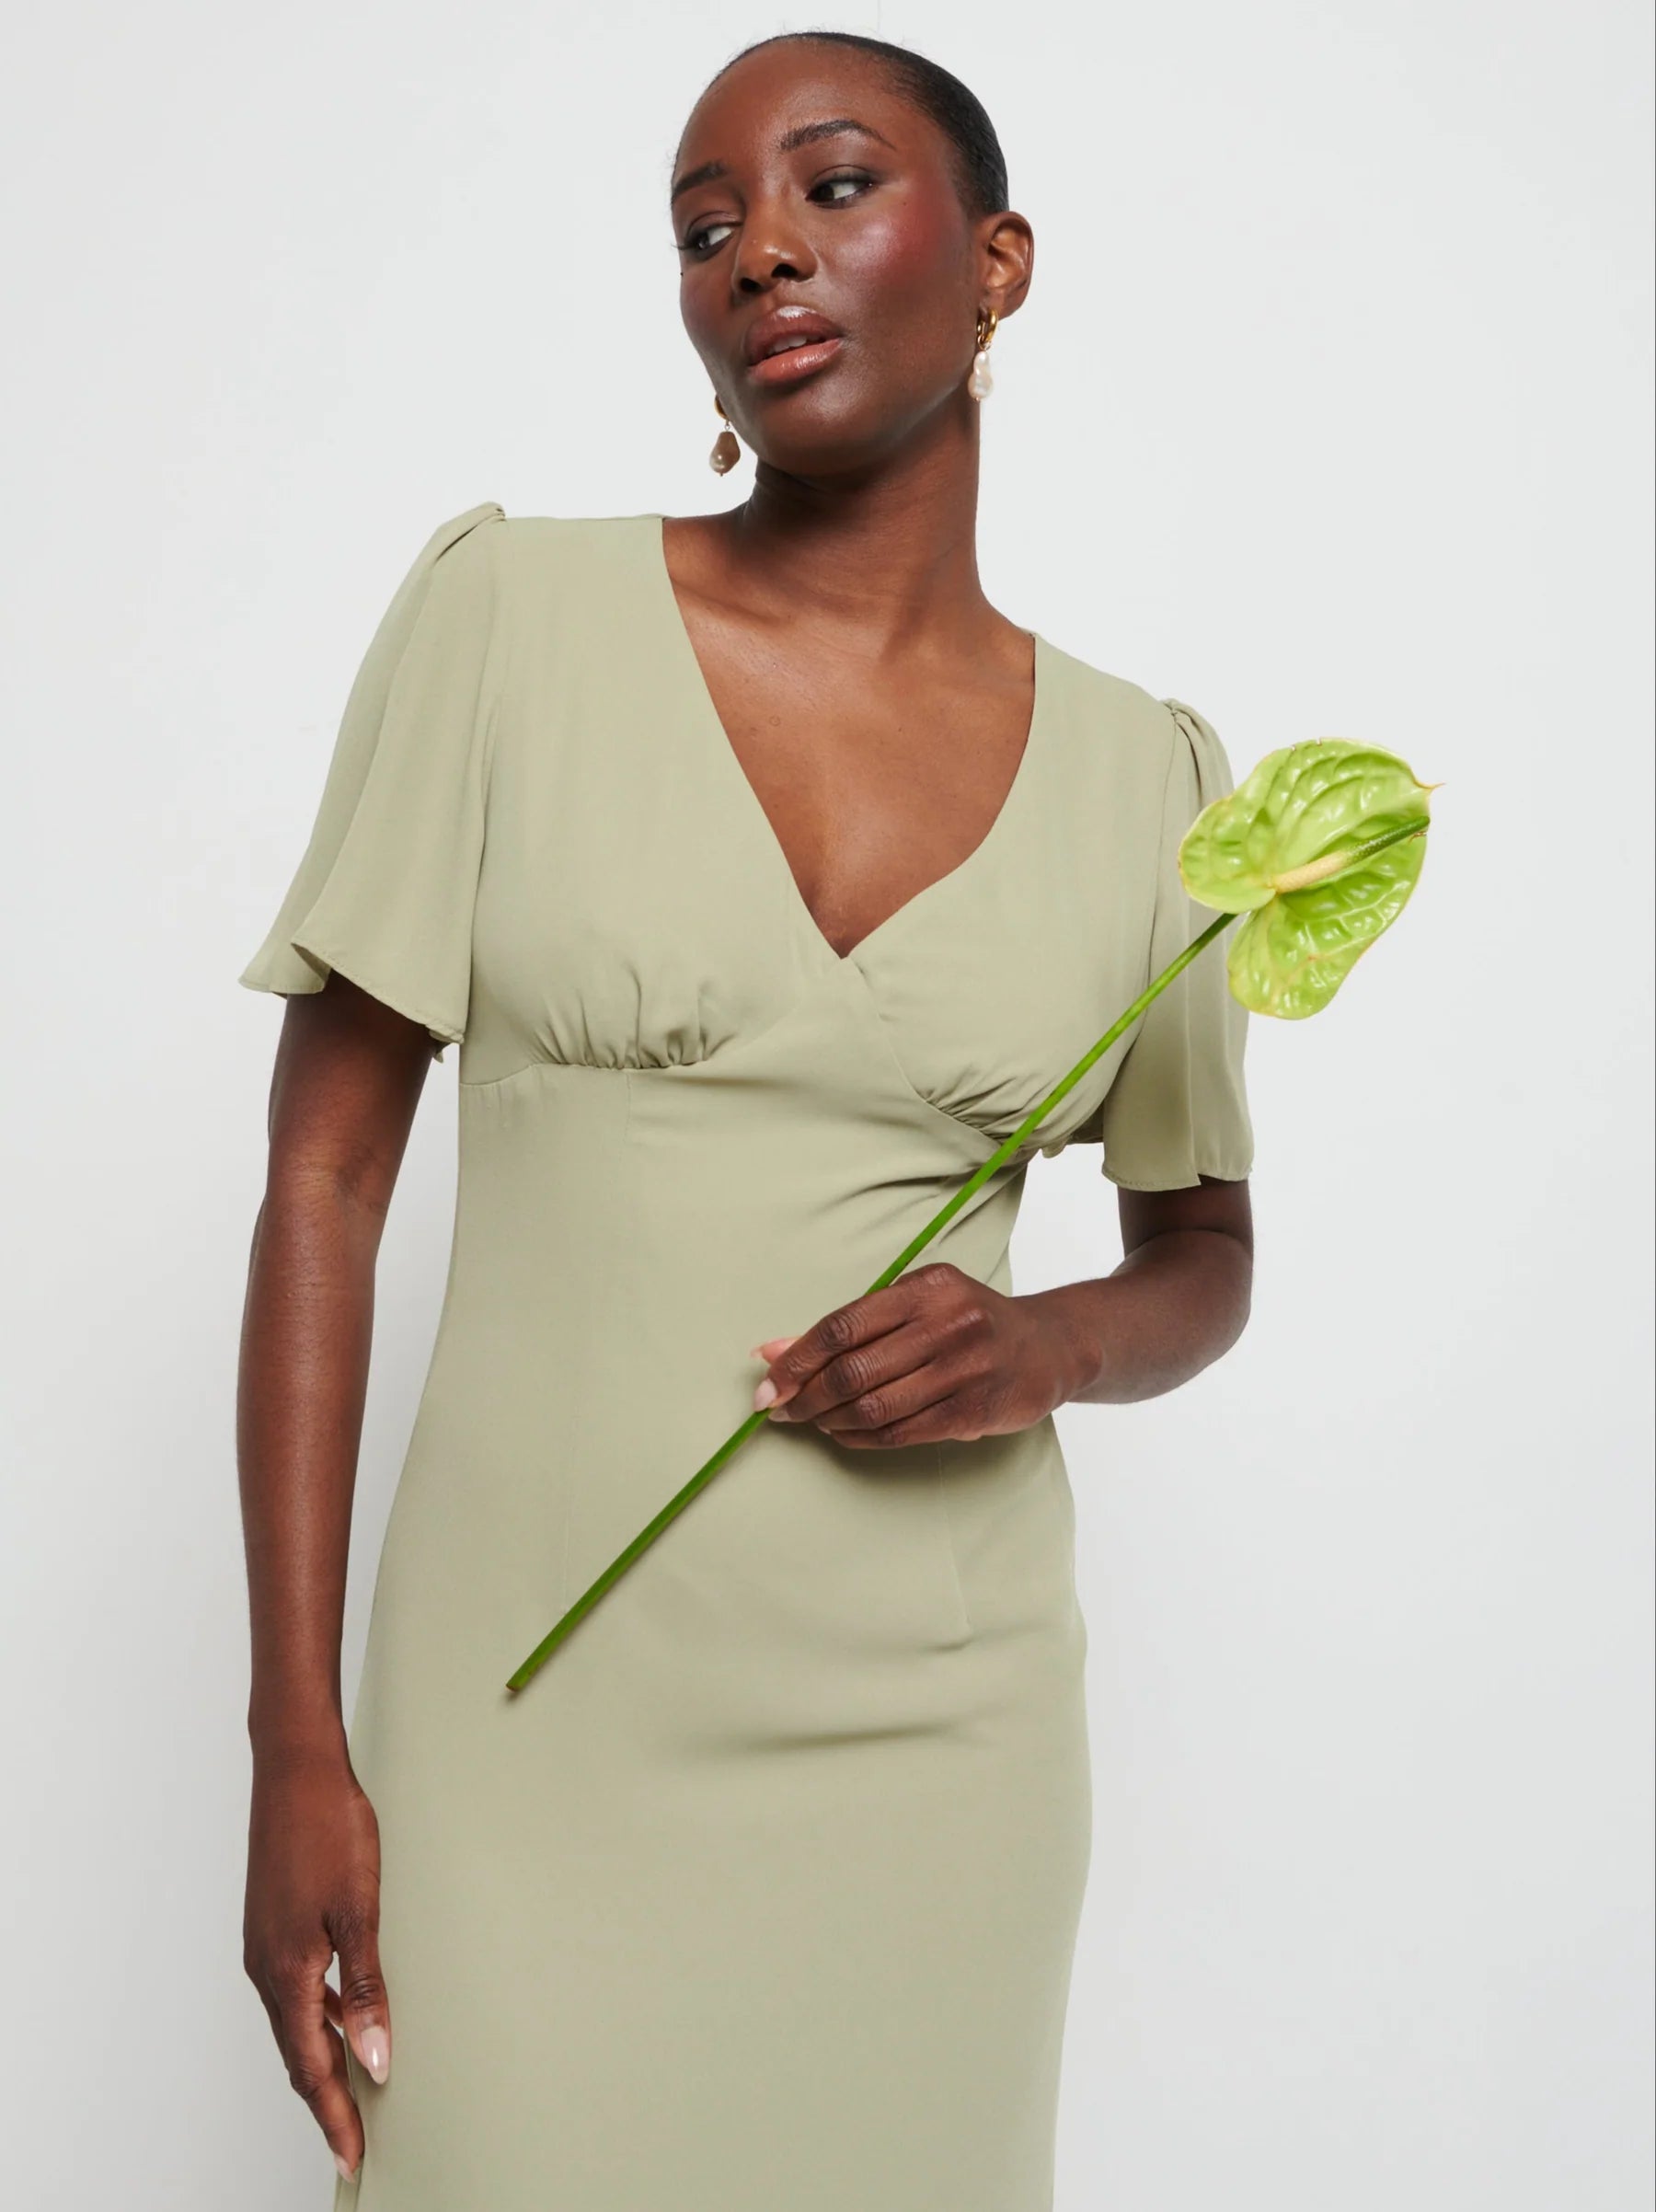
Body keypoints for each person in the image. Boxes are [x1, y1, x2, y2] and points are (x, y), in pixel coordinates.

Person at [236, 29, 1255, 2208]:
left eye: (829, 190)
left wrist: (1041, 1345)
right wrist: (296, 1738)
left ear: (995, 264)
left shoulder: (1154, 781)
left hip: (939, 1747)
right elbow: (321, 1177)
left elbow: (1203, 1255)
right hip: (524, 1727)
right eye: (708, 229)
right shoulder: (510, 618)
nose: (759, 255)